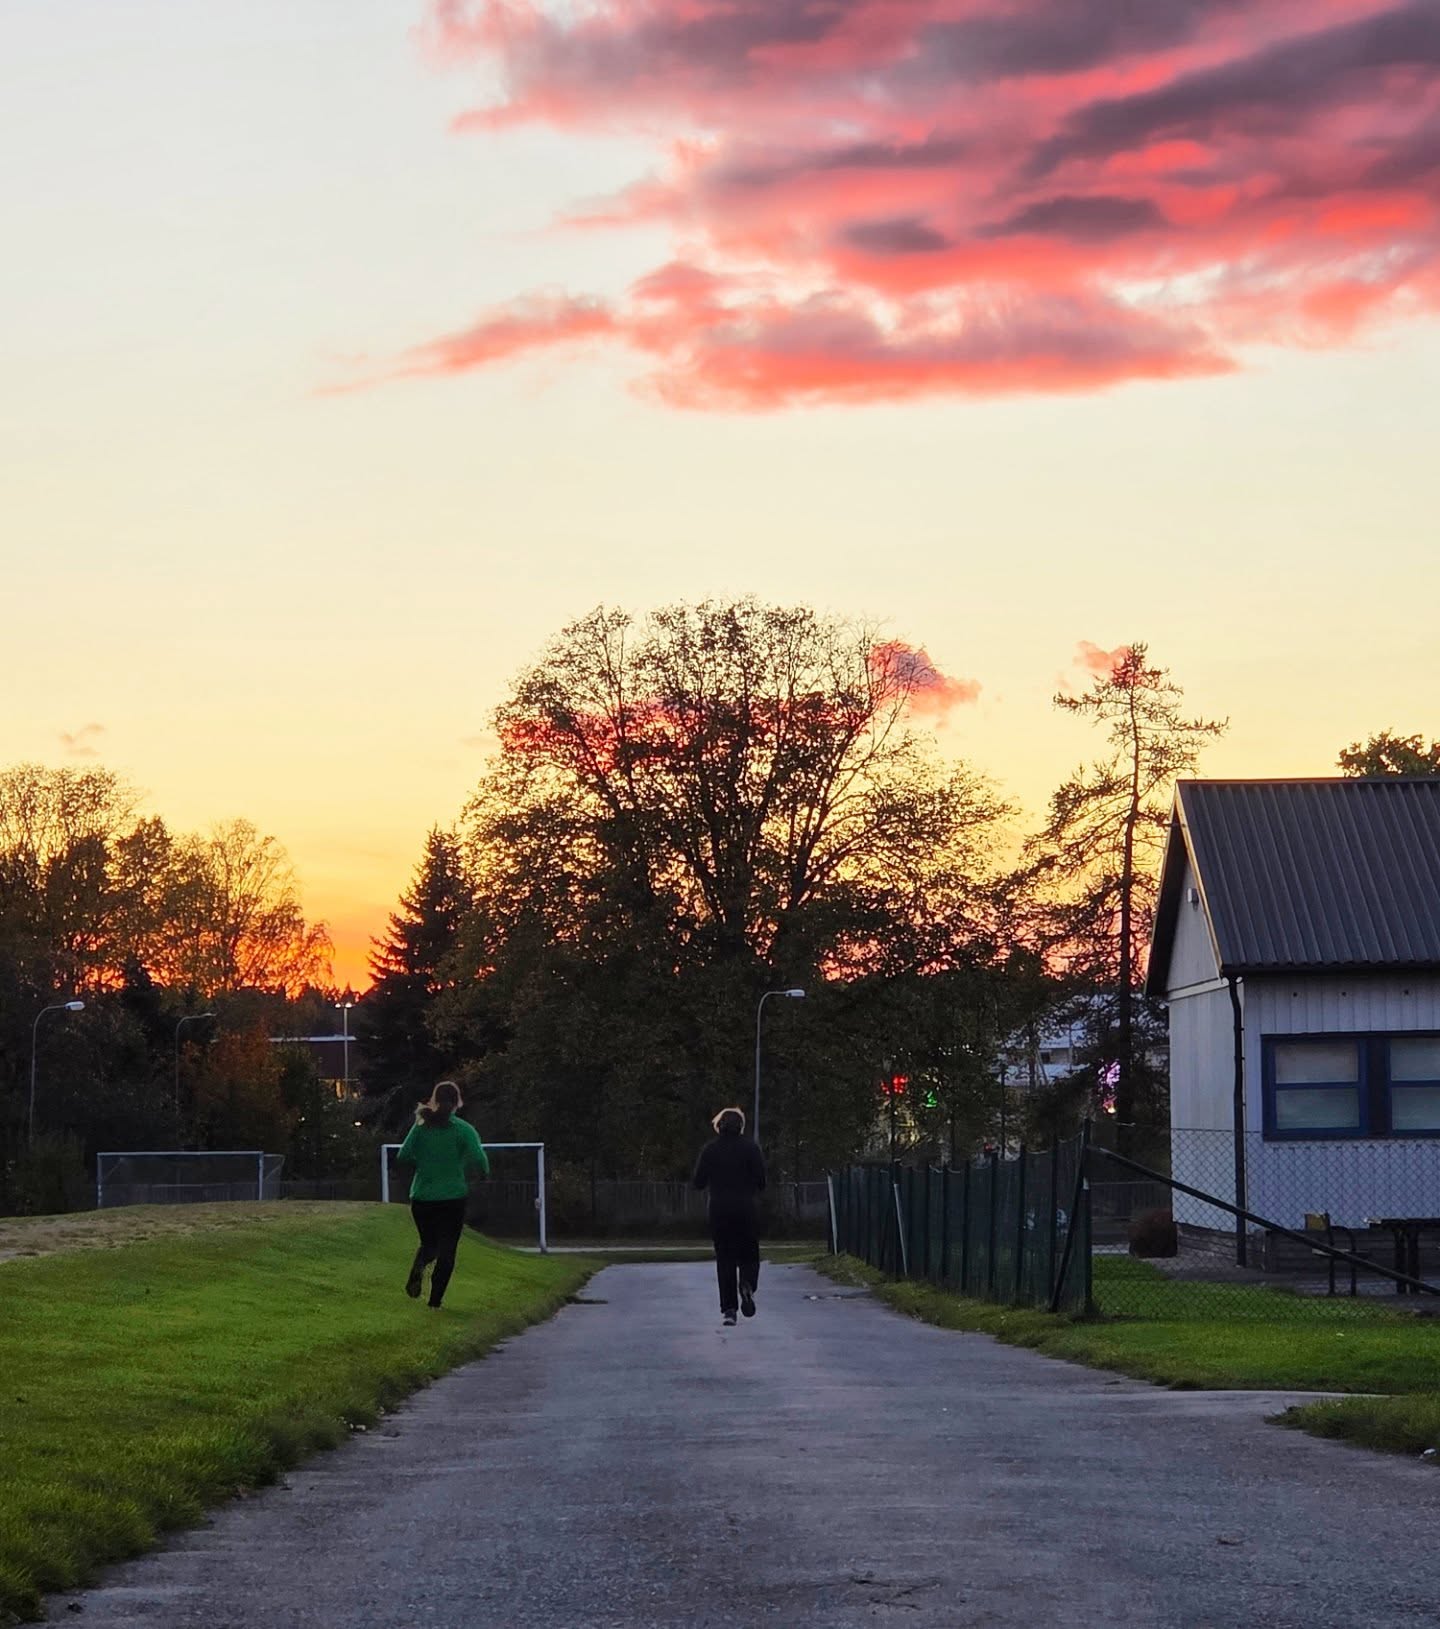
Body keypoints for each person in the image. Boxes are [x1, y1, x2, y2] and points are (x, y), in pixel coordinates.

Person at [395, 1081, 489, 1309]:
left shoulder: (421, 1127)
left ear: (434, 1100)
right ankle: (435, 1300)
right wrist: (477, 1174)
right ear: (458, 1102)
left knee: (430, 1245)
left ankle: (418, 1267)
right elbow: (480, 1160)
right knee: (447, 1250)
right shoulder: (463, 1130)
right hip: (452, 1198)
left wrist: (424, 1164)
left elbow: (403, 1156)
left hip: (422, 1197)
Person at [692, 1106, 766, 1327]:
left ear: (719, 1125)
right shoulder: (751, 1149)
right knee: (750, 1254)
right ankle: (747, 1285)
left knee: (725, 1259)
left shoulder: (710, 1150)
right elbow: (762, 1182)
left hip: (719, 1210)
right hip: (745, 1208)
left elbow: (698, 1182)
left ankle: (729, 1310)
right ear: (741, 1126)